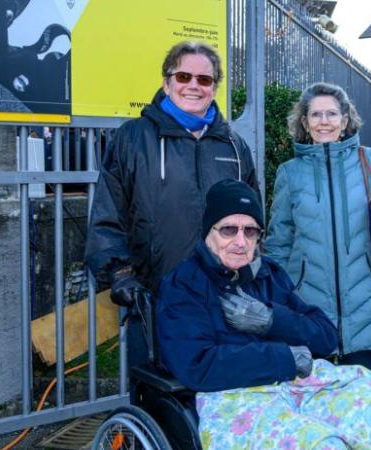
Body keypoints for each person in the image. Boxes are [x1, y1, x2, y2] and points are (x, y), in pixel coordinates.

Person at [157, 180, 371, 449]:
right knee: (320, 443)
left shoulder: (269, 274)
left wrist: (272, 320)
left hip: (300, 385)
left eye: (250, 231)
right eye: (229, 230)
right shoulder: (185, 285)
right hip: (236, 396)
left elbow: (325, 337)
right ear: (209, 232)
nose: (240, 242)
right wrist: (284, 358)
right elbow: (197, 365)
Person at [85, 41, 258, 367]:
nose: (193, 85)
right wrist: (120, 274)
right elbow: (108, 214)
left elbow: (253, 222)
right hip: (156, 301)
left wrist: (250, 273)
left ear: (214, 87)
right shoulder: (132, 138)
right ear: (167, 82)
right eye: (183, 76)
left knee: (220, 403)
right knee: (162, 403)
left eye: (204, 80)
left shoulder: (235, 146)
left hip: (223, 304)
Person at [265, 82, 371, 373]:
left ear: (345, 120)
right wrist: (272, 298)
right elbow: (278, 243)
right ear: (305, 122)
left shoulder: (370, 162)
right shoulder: (289, 174)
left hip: (365, 308)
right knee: (314, 409)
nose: (324, 122)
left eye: (332, 114)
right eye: (316, 115)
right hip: (308, 311)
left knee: (362, 406)